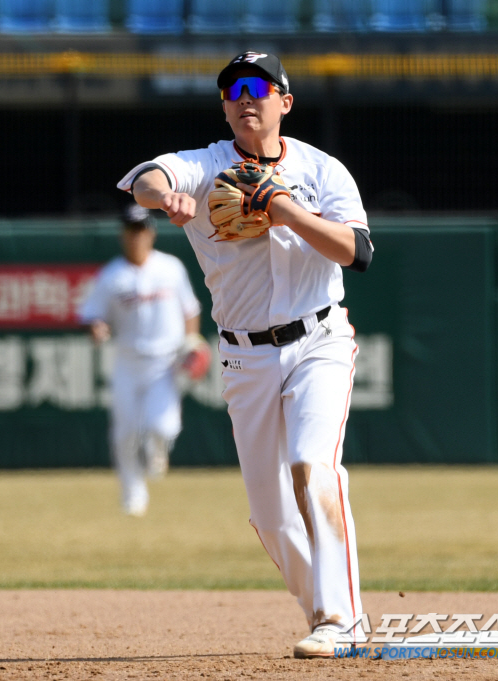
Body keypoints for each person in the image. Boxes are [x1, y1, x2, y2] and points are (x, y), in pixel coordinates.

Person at [118, 51, 373, 657]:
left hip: (318, 341)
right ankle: (324, 612)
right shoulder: (206, 165)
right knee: (271, 517)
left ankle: (342, 617)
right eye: (232, 91)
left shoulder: (322, 169)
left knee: (315, 466)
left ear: (285, 101)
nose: (245, 98)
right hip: (244, 357)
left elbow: (356, 252)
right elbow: (145, 177)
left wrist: (283, 207)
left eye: (260, 87)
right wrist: (166, 199)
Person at [79, 203, 202, 517]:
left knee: (164, 427)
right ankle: (133, 495)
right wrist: (97, 327)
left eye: (141, 229)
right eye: (130, 230)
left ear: (151, 232)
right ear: (123, 235)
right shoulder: (112, 276)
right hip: (128, 361)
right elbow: (92, 315)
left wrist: (192, 340)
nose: (136, 236)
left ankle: (157, 450)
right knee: (125, 433)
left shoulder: (171, 268)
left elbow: (190, 310)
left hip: (166, 362)